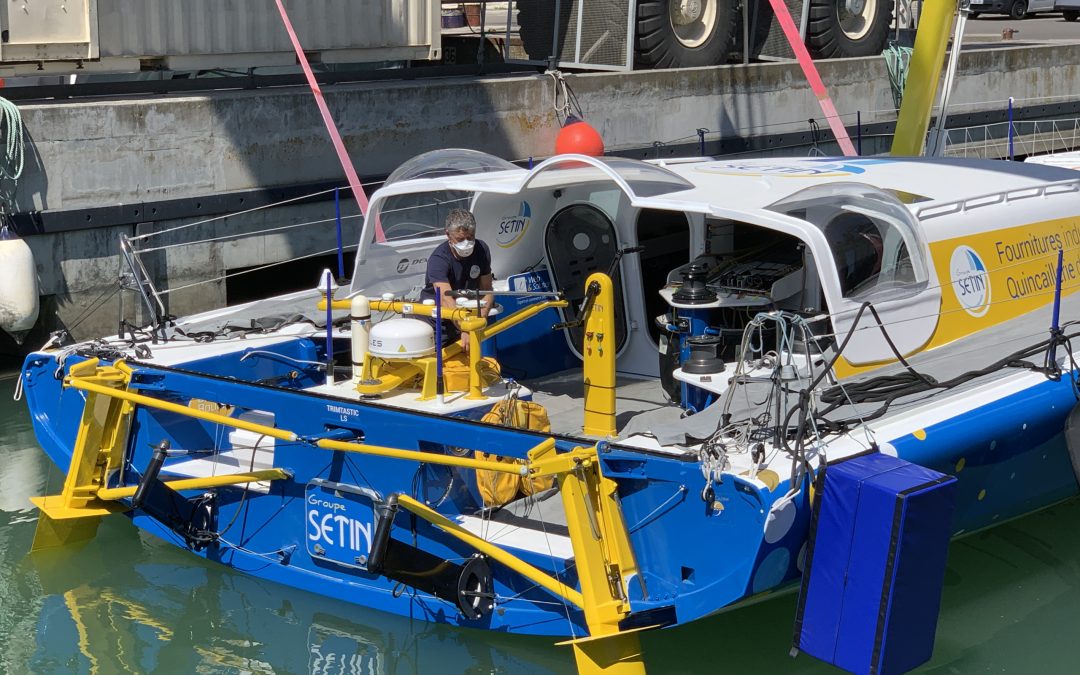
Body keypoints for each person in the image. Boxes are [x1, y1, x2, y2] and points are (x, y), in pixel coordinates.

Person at [419, 209, 493, 349]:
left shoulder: (482, 249)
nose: (466, 243)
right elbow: (445, 299)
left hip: (466, 317)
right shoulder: (439, 260)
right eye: (460, 239)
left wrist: (480, 319)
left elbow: (487, 289)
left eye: (470, 237)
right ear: (448, 234)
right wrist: (464, 328)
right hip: (438, 323)